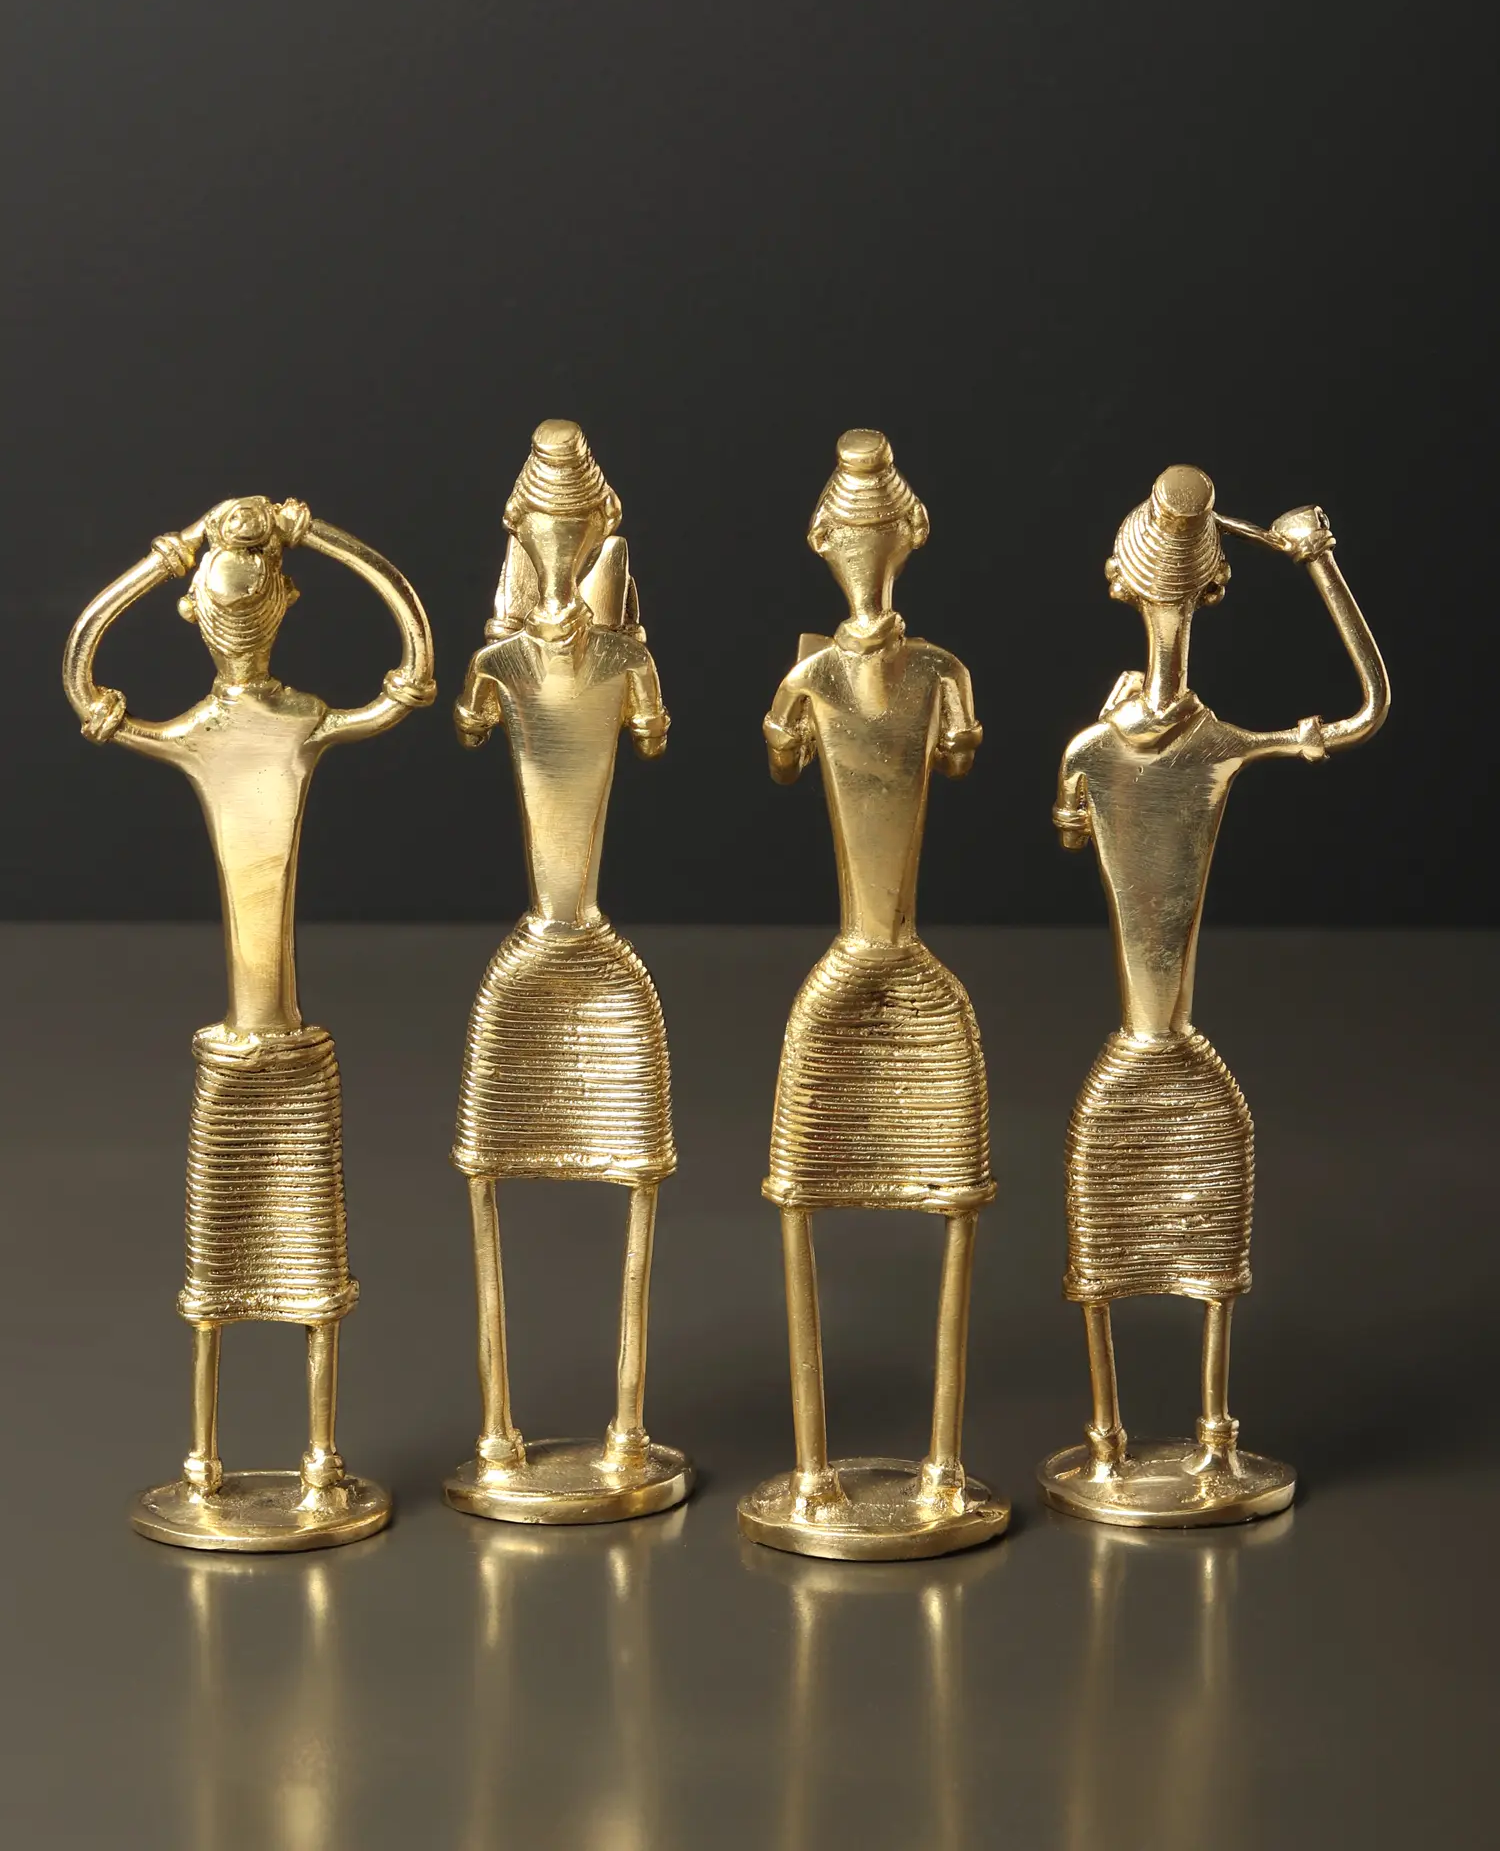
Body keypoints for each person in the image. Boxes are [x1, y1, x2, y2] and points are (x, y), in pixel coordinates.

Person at [63, 494, 435, 1547]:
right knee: (227, 1277)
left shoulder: (275, 723)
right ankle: (230, 1465)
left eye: (248, 604)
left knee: (293, 1277)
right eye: (223, 608)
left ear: (278, 604)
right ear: (205, 613)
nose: (237, 624)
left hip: (275, 1050)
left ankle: (299, 1462)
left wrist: (223, 546)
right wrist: (219, 544)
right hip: (248, 1050)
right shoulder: (218, 730)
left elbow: (414, 666)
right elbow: (83, 675)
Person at [1041, 464, 1389, 1524]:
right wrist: (1317, 564)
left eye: (1179, 597)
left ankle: (1203, 1438)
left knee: (1204, 1226)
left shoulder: (1195, 746)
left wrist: (1320, 561)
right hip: (1145, 1056)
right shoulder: (1109, 750)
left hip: (1172, 1057)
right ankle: (1116, 1439)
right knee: (1107, 1226)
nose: (1170, 615)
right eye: (1167, 596)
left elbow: (1366, 712)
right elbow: (1368, 708)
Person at [738, 429, 1007, 1559]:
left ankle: (943, 1462)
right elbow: (781, 754)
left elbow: (956, 754)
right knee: (801, 1193)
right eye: (851, 537)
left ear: (910, 539)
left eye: (880, 534)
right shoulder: (811, 676)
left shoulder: (942, 674)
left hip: (913, 976)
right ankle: (812, 1465)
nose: (865, 553)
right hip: (846, 973)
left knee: (955, 1203)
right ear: (823, 543)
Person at [445, 421, 691, 1524]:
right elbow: (464, 711)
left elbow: (651, 731)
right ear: (521, 532)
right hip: (531, 964)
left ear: (601, 532)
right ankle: (497, 1429)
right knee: (488, 1175)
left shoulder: (628, 660)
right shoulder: (497, 663)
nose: (558, 540)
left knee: (635, 1175)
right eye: (545, 525)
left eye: (577, 525)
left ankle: (628, 1428)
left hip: (600, 963)